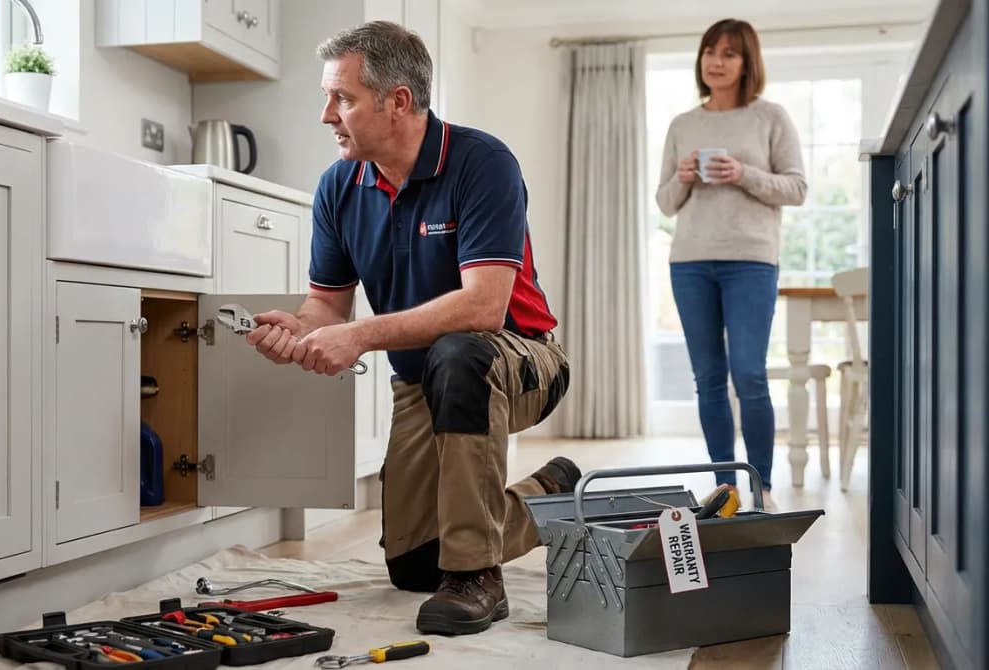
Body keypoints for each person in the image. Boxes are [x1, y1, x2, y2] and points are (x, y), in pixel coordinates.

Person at [242, 20, 578, 636]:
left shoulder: (482, 163)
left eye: (341, 98)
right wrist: (293, 329)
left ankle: (478, 576)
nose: (326, 115)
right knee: (416, 565)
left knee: (460, 353)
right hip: (425, 381)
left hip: (521, 361)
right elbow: (326, 307)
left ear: (398, 101)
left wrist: (360, 337)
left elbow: (483, 309)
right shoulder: (340, 186)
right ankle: (552, 496)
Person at [655, 18, 807, 510]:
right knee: (708, 378)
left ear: (747, 63)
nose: (716, 62)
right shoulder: (683, 124)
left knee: (750, 373)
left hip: (752, 261)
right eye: (709, 52)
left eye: (728, 54)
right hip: (691, 262)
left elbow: (797, 188)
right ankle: (726, 486)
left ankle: (759, 483)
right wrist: (682, 177)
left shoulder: (771, 117)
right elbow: (665, 202)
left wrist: (743, 174)